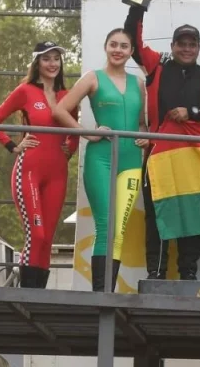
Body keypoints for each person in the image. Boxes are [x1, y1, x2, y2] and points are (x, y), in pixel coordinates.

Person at [124, 6, 200, 281]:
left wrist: (191, 112)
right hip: (157, 157)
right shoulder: (157, 66)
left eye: (192, 44)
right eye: (182, 44)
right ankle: (155, 273)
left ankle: (188, 273)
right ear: (173, 46)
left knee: (190, 214)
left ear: (199, 48)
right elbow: (132, 37)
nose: (187, 49)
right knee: (156, 216)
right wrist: (139, 3)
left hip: (192, 158)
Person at [54, 29, 147, 292]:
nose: (118, 50)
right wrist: (87, 131)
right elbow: (60, 111)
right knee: (105, 225)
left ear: (130, 52)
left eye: (124, 46)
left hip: (130, 161)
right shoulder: (93, 77)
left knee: (119, 230)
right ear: (106, 47)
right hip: (101, 159)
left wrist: (144, 137)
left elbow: (142, 123)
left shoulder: (138, 83)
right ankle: (100, 294)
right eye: (113, 44)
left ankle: (107, 294)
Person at [0, 42, 78, 289]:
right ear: (37, 63)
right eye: (46, 59)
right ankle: (25, 292)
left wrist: (69, 148)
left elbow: (76, 130)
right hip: (28, 169)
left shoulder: (66, 95)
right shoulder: (25, 91)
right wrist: (13, 146)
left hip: (58, 172)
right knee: (36, 234)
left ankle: (39, 297)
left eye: (56, 59)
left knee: (47, 237)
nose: (52, 64)